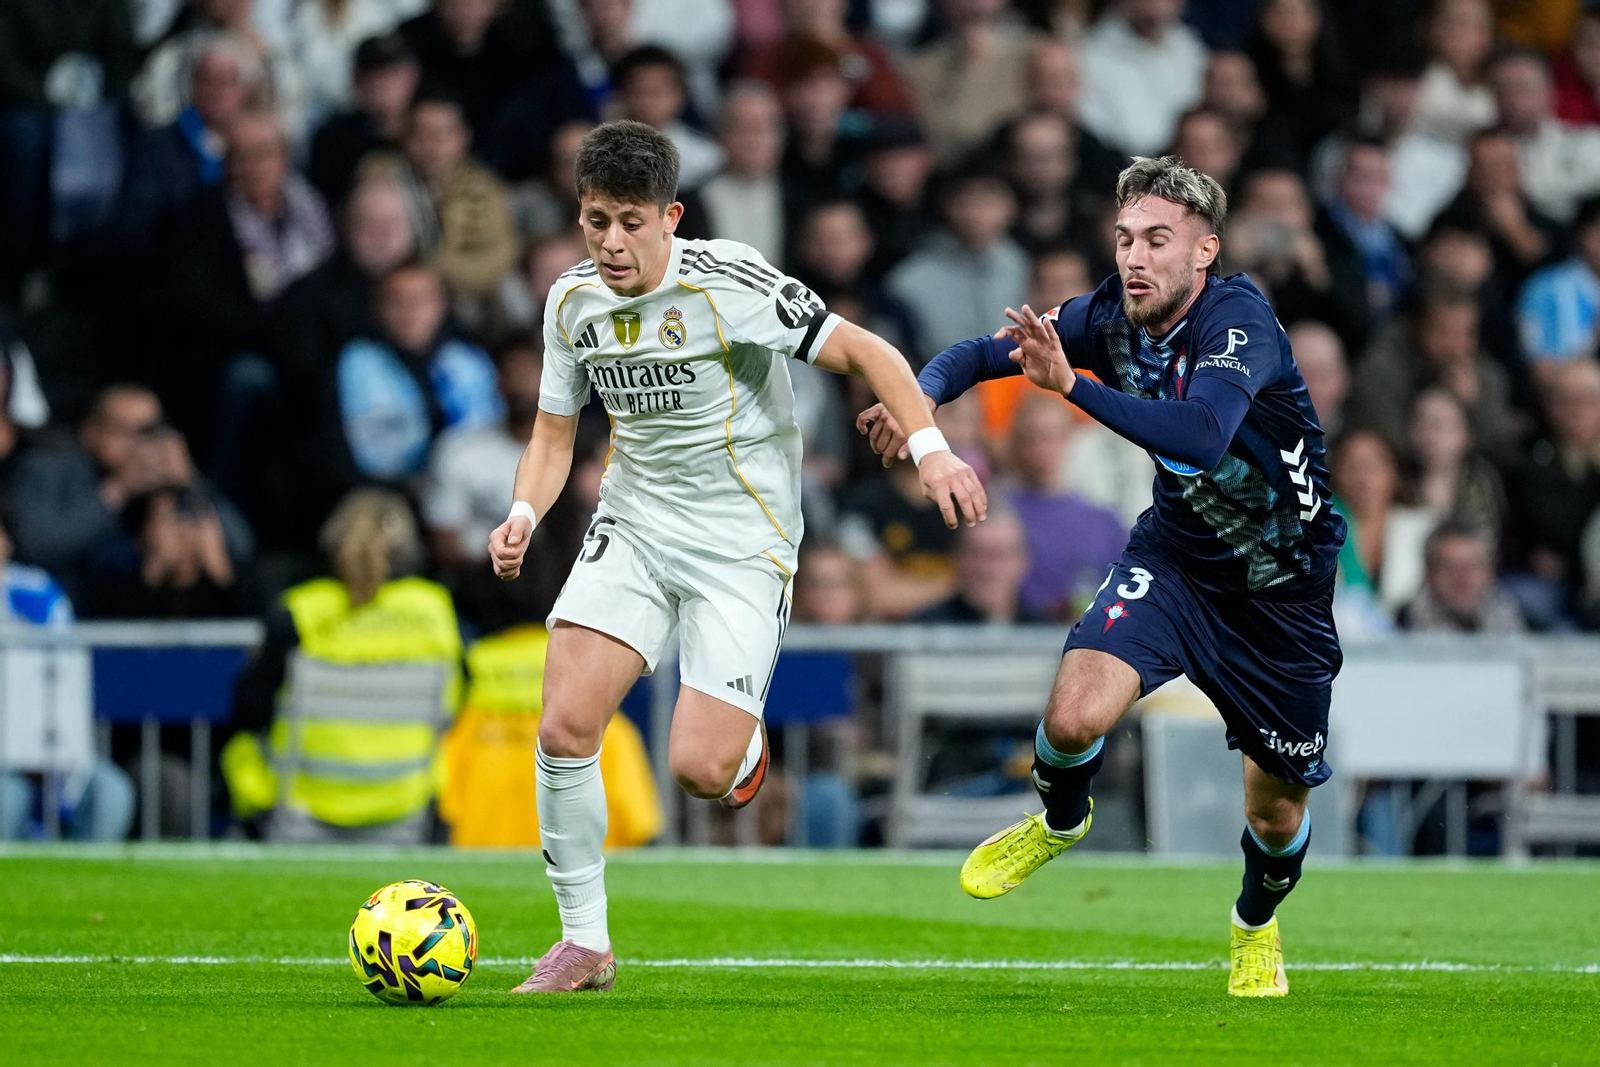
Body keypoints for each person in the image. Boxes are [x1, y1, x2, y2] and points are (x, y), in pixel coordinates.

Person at [486, 120, 983, 993]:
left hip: (742, 543)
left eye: (631, 221)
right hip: (635, 524)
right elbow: (554, 433)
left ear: (670, 216)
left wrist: (933, 447)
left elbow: (867, 350)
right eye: (595, 220)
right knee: (565, 724)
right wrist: (525, 508)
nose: (610, 242)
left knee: (701, 769)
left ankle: (741, 749)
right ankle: (584, 942)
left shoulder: (731, 283)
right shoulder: (571, 303)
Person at [857, 156, 1347, 997]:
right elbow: (981, 352)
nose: (1135, 257)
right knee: (1075, 715)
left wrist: (1072, 386)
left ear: (1204, 252)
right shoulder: (1106, 316)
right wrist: (921, 408)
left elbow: (1199, 435)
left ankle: (1254, 924)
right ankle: (1059, 817)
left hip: (1281, 596)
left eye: (1158, 239)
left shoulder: (1240, 322)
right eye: (1124, 238)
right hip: (1178, 560)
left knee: (1275, 812)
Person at [221, 488, 461, 842]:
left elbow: (250, 710)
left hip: (297, 812)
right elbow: (450, 708)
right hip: (405, 813)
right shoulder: (433, 610)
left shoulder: (299, 612)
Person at [1397, 519, 1525, 633]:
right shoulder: (1403, 627)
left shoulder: (1507, 612)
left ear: (1489, 571)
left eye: (1472, 566)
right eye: (1448, 568)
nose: (1463, 579)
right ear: (1428, 573)